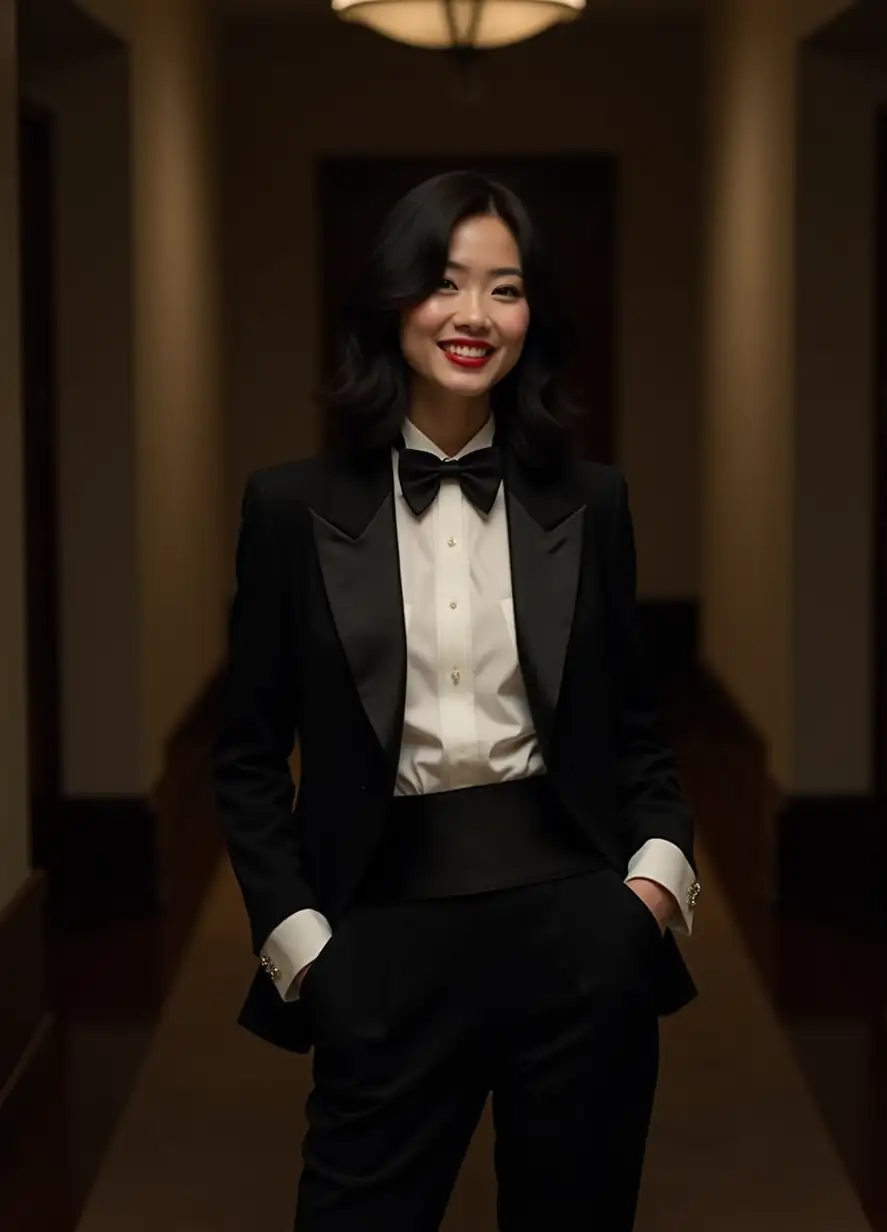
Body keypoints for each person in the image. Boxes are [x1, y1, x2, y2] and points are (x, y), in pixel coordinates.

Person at [212, 169, 700, 1231]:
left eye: (505, 288)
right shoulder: (290, 508)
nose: (475, 315)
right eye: (444, 282)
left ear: (532, 315)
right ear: (391, 300)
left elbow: (637, 735)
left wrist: (649, 893)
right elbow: (246, 755)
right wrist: (306, 948)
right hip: (380, 940)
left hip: (579, 934)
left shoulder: (593, 500)